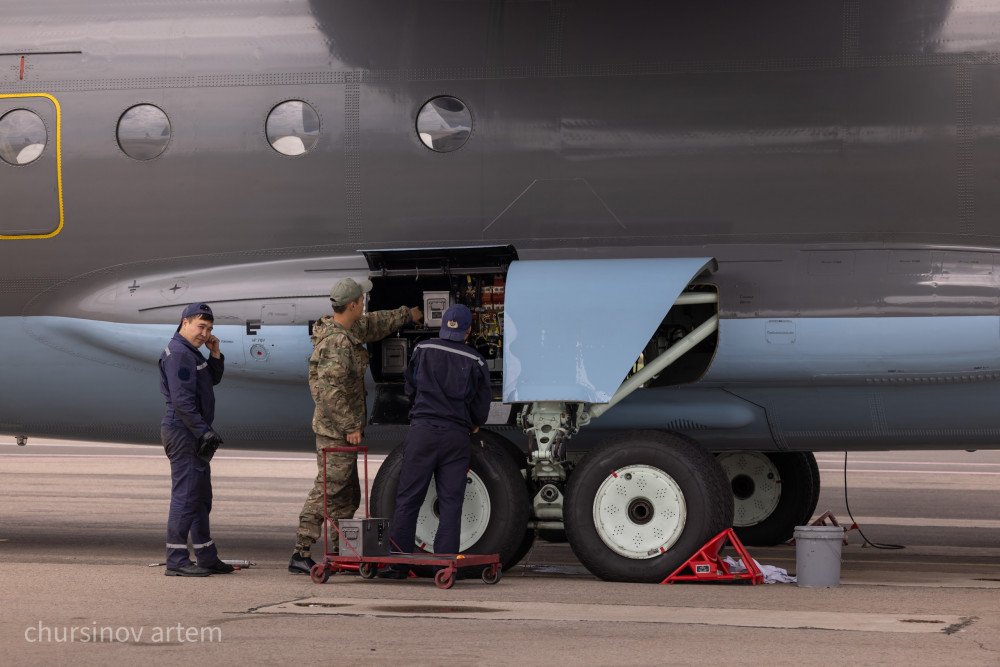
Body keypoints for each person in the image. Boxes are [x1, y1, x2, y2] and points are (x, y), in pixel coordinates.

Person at [289, 278, 423, 574]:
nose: (364, 305)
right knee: (327, 491)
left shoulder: (349, 329)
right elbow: (327, 391)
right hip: (336, 432)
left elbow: (375, 324)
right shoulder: (335, 344)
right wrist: (351, 425)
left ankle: (339, 552)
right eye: (361, 301)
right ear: (351, 305)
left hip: (342, 431)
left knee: (347, 495)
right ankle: (300, 552)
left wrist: (407, 315)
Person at [380, 304, 491, 579]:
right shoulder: (476, 360)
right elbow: (481, 404)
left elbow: (410, 386)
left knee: (408, 499)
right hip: (456, 436)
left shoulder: (422, 349)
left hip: (423, 432)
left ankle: (398, 564)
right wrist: (473, 422)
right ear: (467, 331)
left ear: (443, 325)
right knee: (451, 503)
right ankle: (444, 566)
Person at [158, 302, 232, 577]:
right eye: (201, 326)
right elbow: (182, 401)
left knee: (200, 496)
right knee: (186, 495)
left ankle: (206, 555)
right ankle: (176, 560)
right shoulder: (178, 353)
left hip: (193, 430)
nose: (205, 333)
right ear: (184, 323)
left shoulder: (192, 352)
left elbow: (212, 380)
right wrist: (203, 431)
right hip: (183, 431)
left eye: (209, 329)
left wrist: (214, 353)